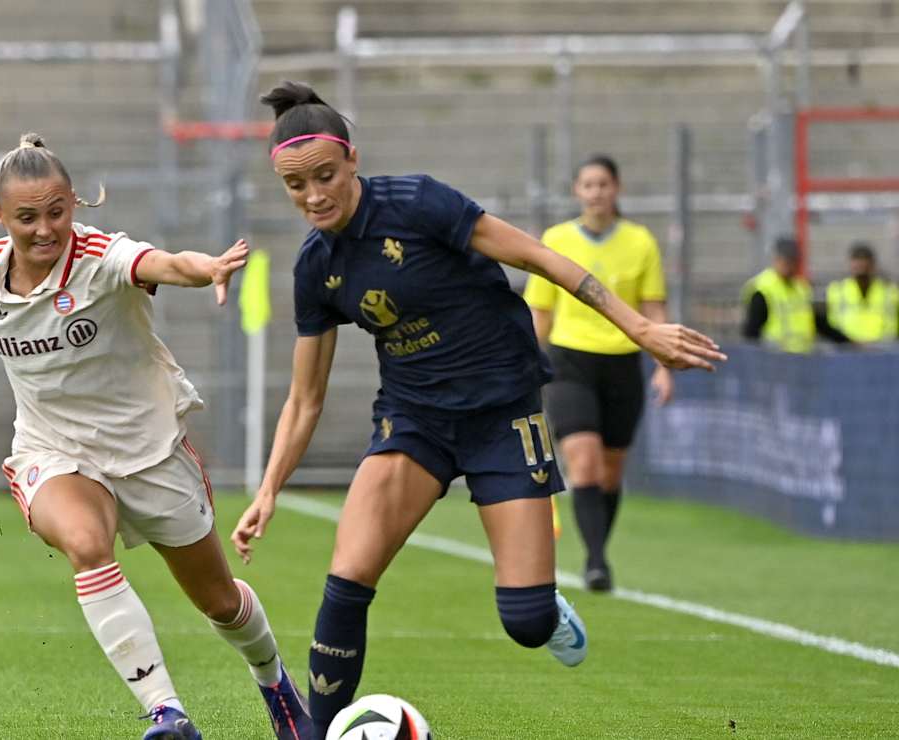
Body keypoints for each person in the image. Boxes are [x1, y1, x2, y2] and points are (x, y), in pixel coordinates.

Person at [230, 82, 725, 740]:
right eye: (296, 187)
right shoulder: (315, 267)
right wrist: (268, 489)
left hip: (502, 413)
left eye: (325, 176)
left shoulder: (419, 203)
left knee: (524, 622)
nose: (314, 196)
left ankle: (547, 611)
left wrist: (641, 329)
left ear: (352, 159)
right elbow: (305, 396)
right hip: (413, 422)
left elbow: (542, 257)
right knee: (347, 577)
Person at [0, 134, 312, 740]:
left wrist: (209, 269)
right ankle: (167, 715)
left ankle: (274, 681)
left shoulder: (101, 257)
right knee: (87, 544)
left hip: (150, 452)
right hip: (53, 451)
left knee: (219, 601)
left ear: (73, 203)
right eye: (27, 217)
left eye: (57, 211)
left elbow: (164, 264)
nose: (46, 229)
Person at [523, 154, 672, 593]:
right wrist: (529, 365)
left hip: (623, 362)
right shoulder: (556, 239)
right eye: (588, 185)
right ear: (577, 191)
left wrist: (665, 366)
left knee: (610, 470)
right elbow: (541, 310)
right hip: (571, 361)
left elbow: (654, 308)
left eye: (603, 184)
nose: (596, 192)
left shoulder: (640, 241)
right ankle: (595, 560)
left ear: (616, 188)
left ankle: (596, 550)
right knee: (583, 461)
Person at [741, 236, 851, 352]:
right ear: (776, 260)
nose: (790, 266)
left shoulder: (802, 288)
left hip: (802, 357)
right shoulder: (763, 288)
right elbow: (752, 332)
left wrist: (848, 342)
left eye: (793, 261)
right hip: (775, 359)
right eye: (786, 261)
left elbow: (818, 323)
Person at [826, 241, 898, 343]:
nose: (861, 265)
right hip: (846, 350)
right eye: (857, 260)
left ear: (873, 264)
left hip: (883, 350)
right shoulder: (837, 290)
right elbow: (832, 324)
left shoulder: (889, 290)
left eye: (864, 260)